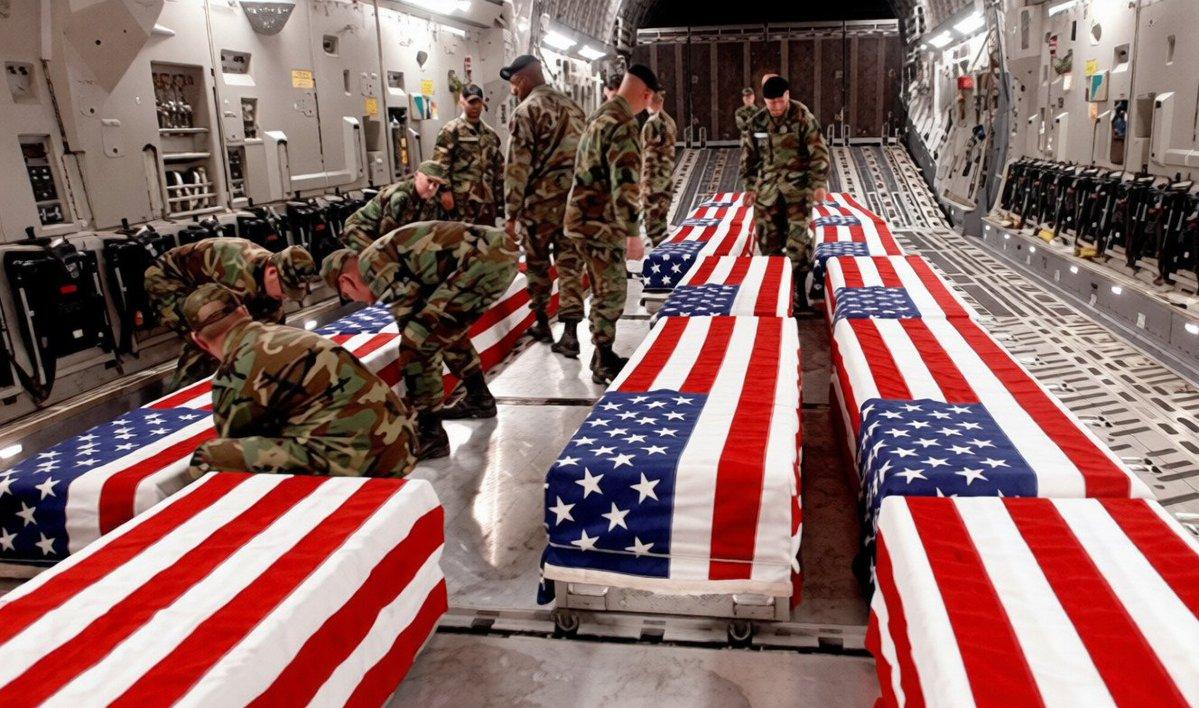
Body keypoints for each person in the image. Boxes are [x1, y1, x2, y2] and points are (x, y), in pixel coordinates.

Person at [320, 221, 518, 460]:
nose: (358, 301)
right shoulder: (377, 255)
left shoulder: (372, 265)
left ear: (345, 281)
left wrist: (415, 405)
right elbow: (421, 310)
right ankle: (479, 398)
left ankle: (430, 433)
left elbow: (411, 325)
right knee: (442, 330)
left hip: (485, 260)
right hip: (494, 253)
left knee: (418, 343)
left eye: (348, 296)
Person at [182, 284, 417, 479]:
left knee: (208, 456)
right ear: (244, 312)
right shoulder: (287, 334)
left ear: (199, 340)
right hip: (401, 447)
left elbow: (236, 439)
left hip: (367, 465)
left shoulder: (234, 373)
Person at [561, 64, 658, 384]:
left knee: (601, 287)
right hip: (600, 223)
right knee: (611, 290)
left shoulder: (600, 114)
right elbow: (625, 183)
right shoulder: (624, 124)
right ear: (646, 95)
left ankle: (602, 353)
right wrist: (632, 233)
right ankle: (603, 359)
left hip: (581, 218)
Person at [145, 238, 316, 391]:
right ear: (272, 273)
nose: (286, 297)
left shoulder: (272, 273)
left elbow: (273, 328)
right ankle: (182, 397)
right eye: (285, 290)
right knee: (207, 340)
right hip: (167, 279)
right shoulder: (237, 275)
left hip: (206, 283)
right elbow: (224, 328)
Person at [501, 54, 587, 343]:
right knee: (570, 263)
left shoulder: (526, 111)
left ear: (523, 80)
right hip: (574, 202)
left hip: (540, 205)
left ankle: (542, 323)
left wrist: (511, 215)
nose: (514, 91)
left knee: (537, 264)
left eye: (514, 85)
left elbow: (517, 167)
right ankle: (571, 334)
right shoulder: (574, 108)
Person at [740, 75, 830, 310]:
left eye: (781, 101)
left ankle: (798, 290)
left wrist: (819, 183)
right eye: (772, 103)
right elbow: (749, 158)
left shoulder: (803, 117)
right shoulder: (757, 122)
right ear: (764, 101)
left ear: (788, 95)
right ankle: (777, 288)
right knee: (768, 242)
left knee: (798, 242)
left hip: (798, 192)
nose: (777, 106)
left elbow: (819, 152)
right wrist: (749, 188)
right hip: (767, 192)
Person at [432, 84, 505, 226]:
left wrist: (500, 202)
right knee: (463, 238)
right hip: (462, 202)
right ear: (462, 102)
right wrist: (445, 193)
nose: (475, 107)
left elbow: (498, 170)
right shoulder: (451, 131)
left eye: (478, 102)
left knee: (486, 237)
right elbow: (440, 165)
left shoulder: (490, 134)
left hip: (487, 203)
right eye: (471, 102)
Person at [339, 160, 450, 252]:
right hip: (360, 230)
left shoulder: (431, 200)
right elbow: (387, 237)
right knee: (381, 258)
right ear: (416, 176)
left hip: (382, 235)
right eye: (429, 181)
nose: (431, 187)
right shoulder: (400, 197)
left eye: (436, 184)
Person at [640, 89, 677, 246]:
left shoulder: (651, 124)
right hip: (666, 174)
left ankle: (658, 251)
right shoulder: (669, 121)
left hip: (653, 177)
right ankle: (662, 243)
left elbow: (647, 152)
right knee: (661, 214)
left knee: (652, 218)